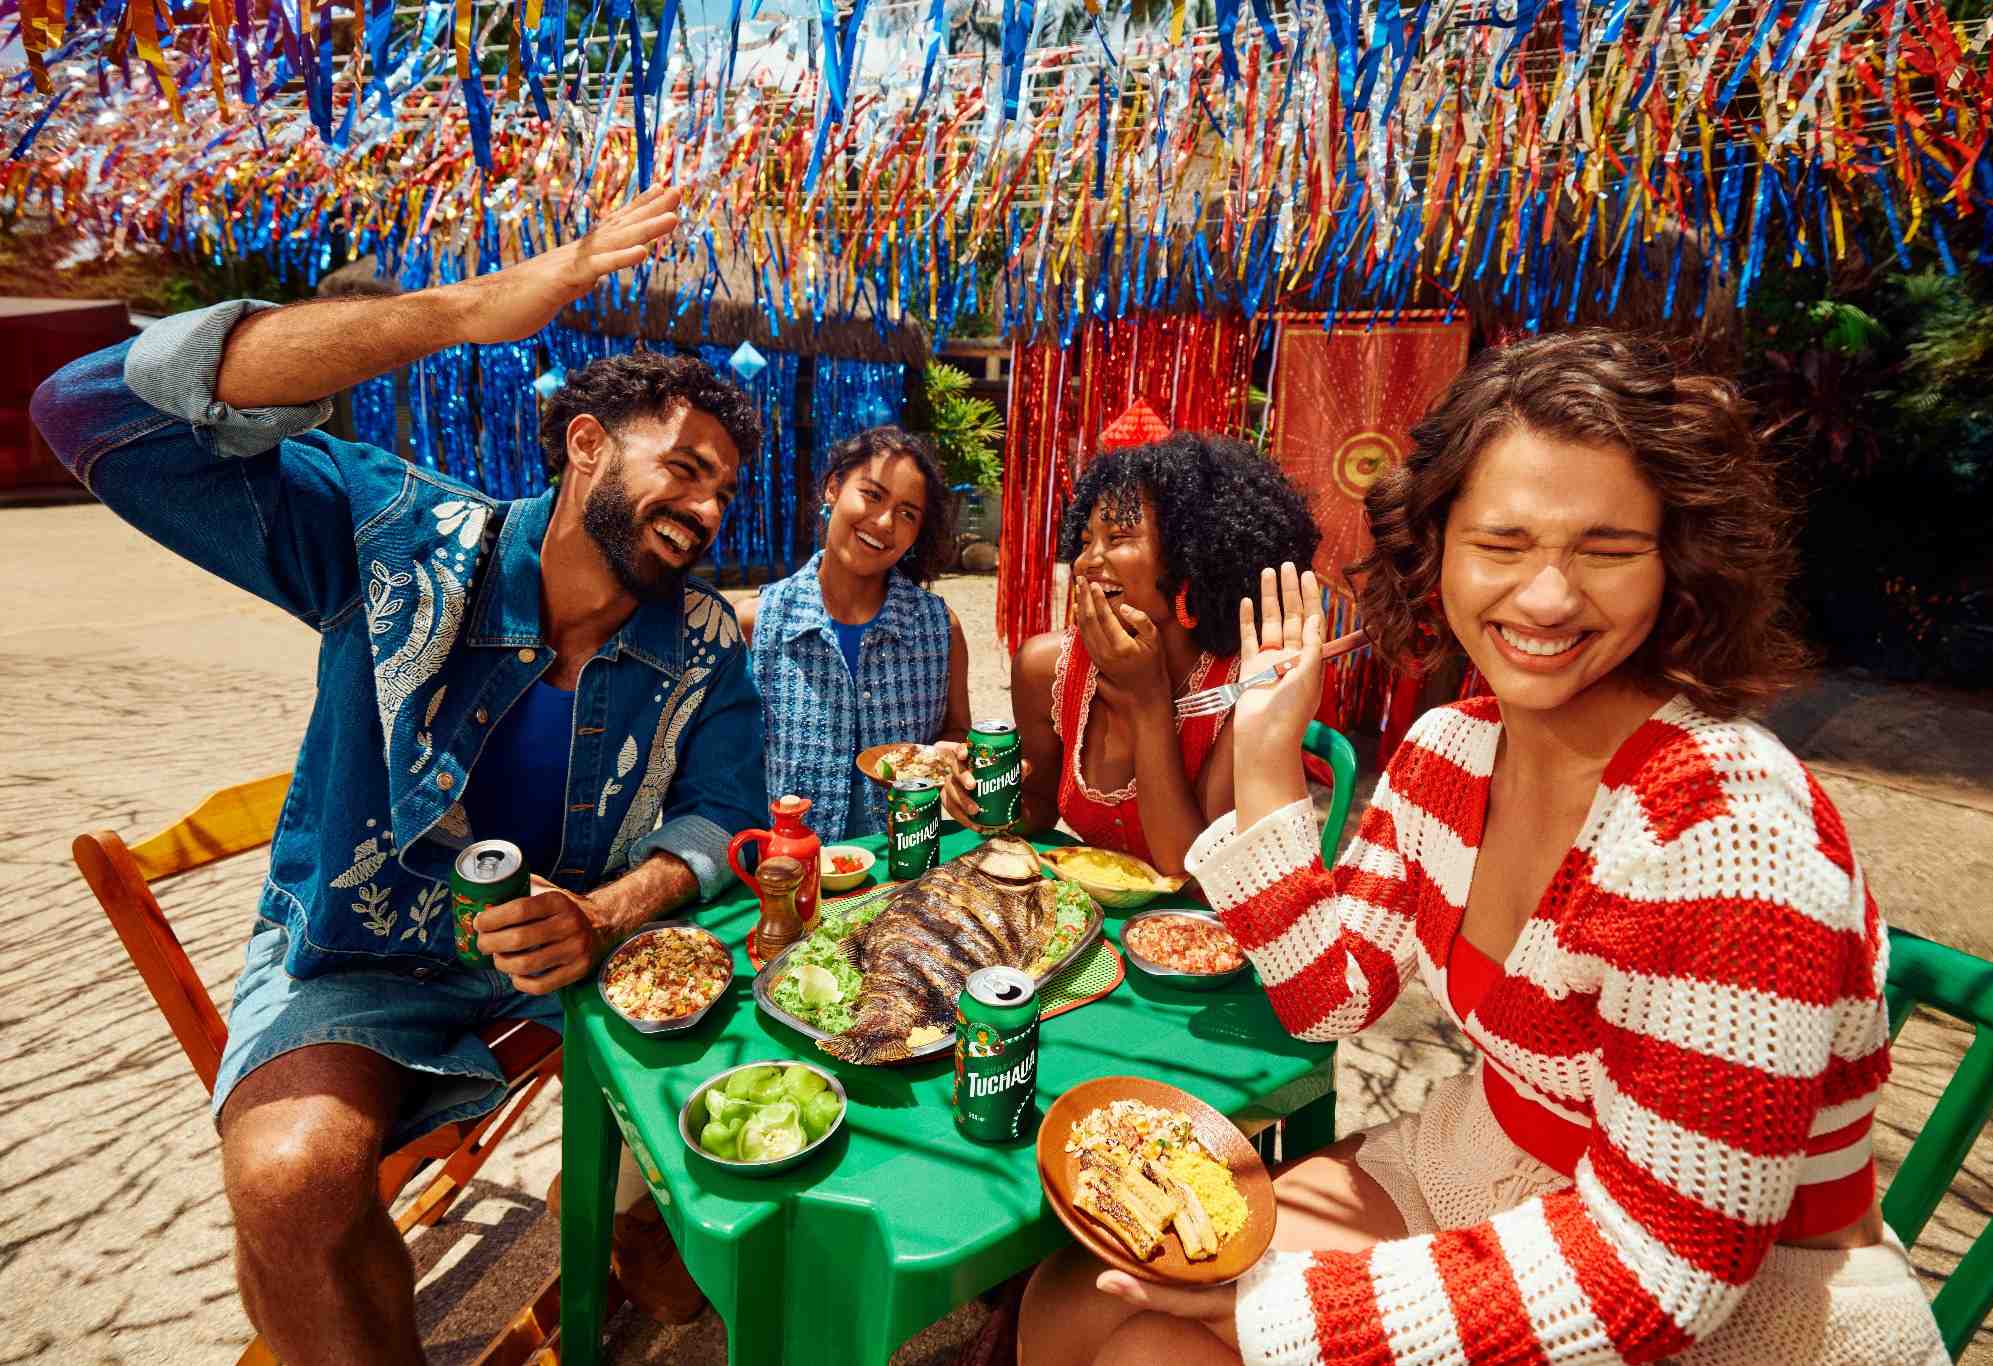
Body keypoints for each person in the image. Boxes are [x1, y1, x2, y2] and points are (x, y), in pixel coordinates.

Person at [1019, 331, 1948, 1366]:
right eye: (1500, 544)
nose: (1545, 598)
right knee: (1075, 1298)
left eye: (1604, 547)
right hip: (1485, 1154)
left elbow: (1658, 1272)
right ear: (1439, 546)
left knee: (1158, 1350)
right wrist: (1266, 747)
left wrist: (1285, 1312)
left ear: (1679, 558)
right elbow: (1330, 999)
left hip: (1734, 1295)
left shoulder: (1727, 831)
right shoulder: (1447, 752)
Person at [31, 186, 770, 1365]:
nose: (706, 506)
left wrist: (609, 910)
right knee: (289, 1181)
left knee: (757, 1105)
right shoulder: (405, 541)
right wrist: (464, 311)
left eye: (724, 488)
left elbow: (723, 812)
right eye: (683, 467)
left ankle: (640, 1237)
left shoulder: (702, 641)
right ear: (584, 445)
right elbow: (89, 410)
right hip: (362, 958)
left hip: (585, 965)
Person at [941, 432, 1319, 878]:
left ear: (1187, 555)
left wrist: (1147, 701)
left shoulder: (1247, 686)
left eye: (1119, 536)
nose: (1086, 561)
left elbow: (1194, 875)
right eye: (1085, 541)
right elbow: (1039, 809)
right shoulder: (1044, 669)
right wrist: (982, 799)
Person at [738, 425, 972, 841]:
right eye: (872, 495)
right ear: (833, 489)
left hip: (903, 876)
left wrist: (950, 754)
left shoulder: (940, 630)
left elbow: (956, 731)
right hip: (788, 881)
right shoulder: (757, 625)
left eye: (907, 513)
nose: (883, 522)